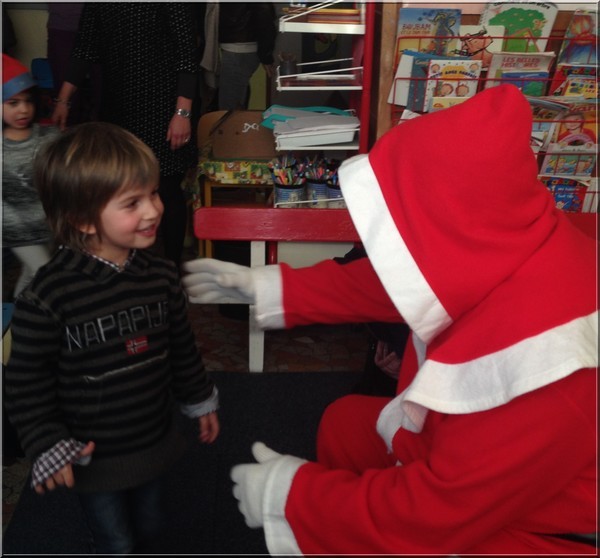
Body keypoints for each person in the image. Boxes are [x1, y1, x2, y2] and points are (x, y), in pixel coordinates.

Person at [182, 85, 598, 554]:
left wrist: (293, 497)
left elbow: (435, 515)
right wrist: (270, 286)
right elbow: (400, 282)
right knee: (346, 424)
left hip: (546, 529)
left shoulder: (549, 366)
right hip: (508, 471)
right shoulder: (525, 242)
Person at [4, 122, 220, 555]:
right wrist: (47, 440)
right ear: (83, 219)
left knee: (153, 525)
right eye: (132, 203)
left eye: (154, 194)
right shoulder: (48, 295)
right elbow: (26, 382)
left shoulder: (159, 273)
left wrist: (199, 400)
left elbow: (180, 345)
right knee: (116, 541)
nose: (154, 211)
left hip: (154, 441)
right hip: (94, 457)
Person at [51, 3, 200, 268]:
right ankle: (129, 266)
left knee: (165, 187)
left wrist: (183, 113)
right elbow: (84, 46)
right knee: (122, 188)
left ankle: (173, 268)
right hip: (119, 108)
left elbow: (186, 55)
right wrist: (63, 100)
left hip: (164, 108)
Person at [2, 53, 60, 298]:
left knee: (30, 277)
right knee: (44, 273)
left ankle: (16, 324)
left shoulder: (48, 137)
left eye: (27, 101)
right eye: (13, 103)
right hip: (17, 230)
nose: (23, 109)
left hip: (47, 225)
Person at [213, 3, 278, 111]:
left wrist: (266, 56)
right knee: (235, 100)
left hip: (239, 48)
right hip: (239, 46)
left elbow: (263, 12)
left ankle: (235, 127)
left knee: (228, 109)